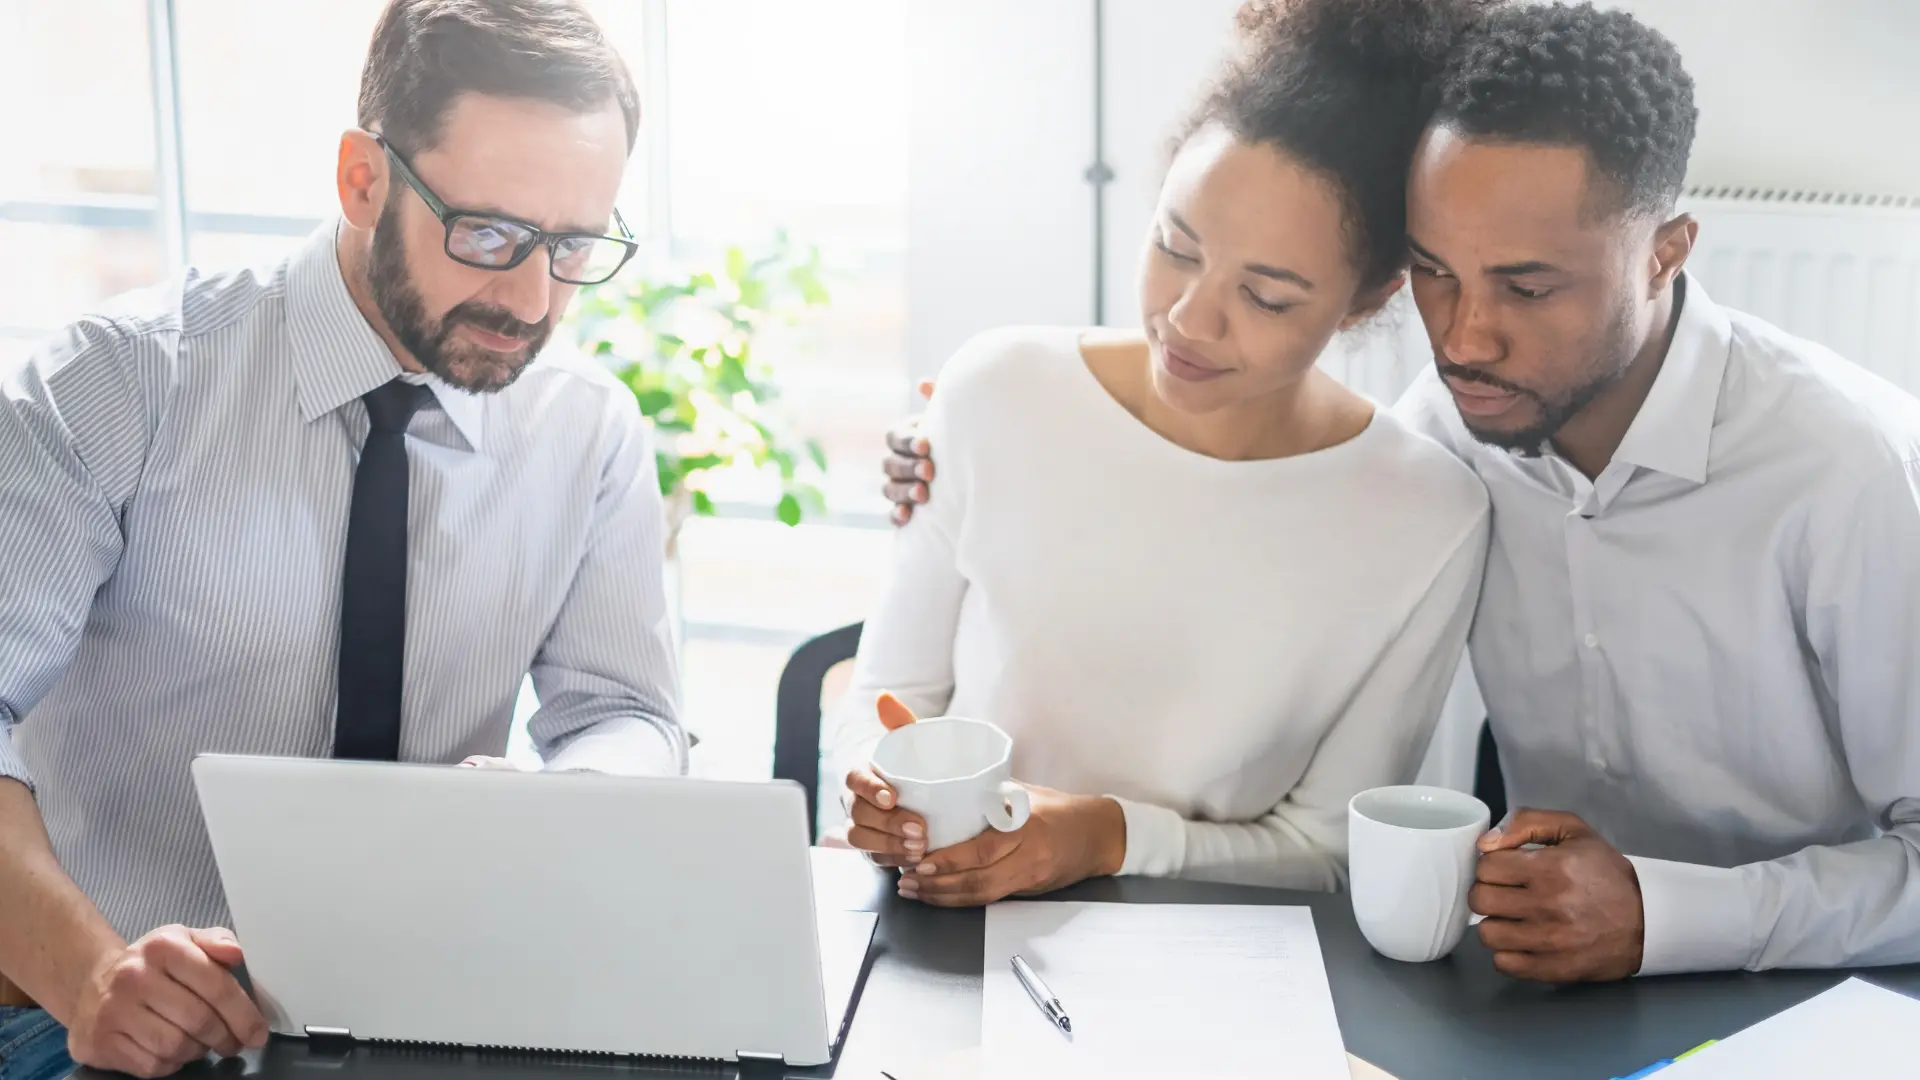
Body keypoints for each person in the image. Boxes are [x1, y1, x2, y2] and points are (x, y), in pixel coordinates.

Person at [886, 2, 1920, 982]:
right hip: (1541, 977)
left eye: (1527, 286)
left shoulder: (1848, 475)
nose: (1465, 338)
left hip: (1816, 994)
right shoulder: (1452, 441)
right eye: (1435, 272)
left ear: (1664, 254)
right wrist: (946, 454)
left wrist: (1665, 915)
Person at [0, 2, 685, 1076]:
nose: (530, 296)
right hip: (108, 1015)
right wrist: (91, 974)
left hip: (440, 1013)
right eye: (491, 235)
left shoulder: (588, 430)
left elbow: (628, 713)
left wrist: (563, 805)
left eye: (575, 246)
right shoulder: (123, 385)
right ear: (363, 179)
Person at [833, 0, 1495, 911]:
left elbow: (1326, 852)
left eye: (1265, 297)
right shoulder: (997, 390)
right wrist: (874, 792)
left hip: (1211, 966)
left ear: (1368, 296)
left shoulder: (1428, 518)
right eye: (1174, 247)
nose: (1188, 318)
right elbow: (883, 706)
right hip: (946, 932)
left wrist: (1106, 838)